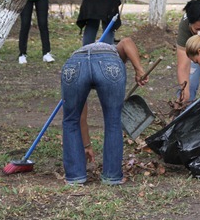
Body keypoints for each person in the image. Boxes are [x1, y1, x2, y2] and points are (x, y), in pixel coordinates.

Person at [61, 37, 148, 186]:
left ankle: (75, 177)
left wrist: (87, 145)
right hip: (108, 63)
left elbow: (80, 115)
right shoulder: (113, 50)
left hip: (74, 65)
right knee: (113, 121)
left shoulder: (80, 52)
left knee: (70, 120)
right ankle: (112, 177)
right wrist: (139, 70)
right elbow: (127, 41)